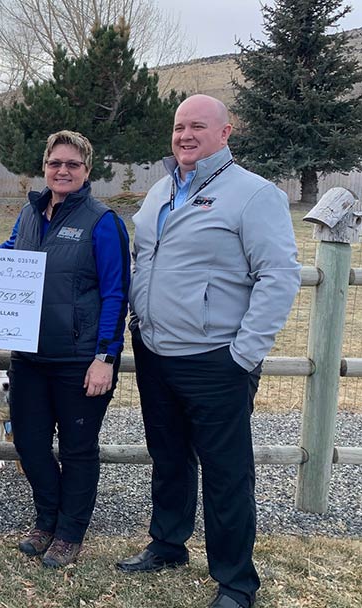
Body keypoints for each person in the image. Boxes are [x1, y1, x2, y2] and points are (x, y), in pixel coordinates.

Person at [117, 95, 301, 608]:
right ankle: (168, 544)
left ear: (225, 133)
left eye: (198, 126)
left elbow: (279, 275)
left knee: (226, 473)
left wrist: (243, 354)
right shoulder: (159, 190)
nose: (185, 135)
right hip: (155, 351)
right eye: (179, 127)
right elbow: (143, 258)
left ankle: (236, 581)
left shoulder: (253, 195)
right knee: (169, 458)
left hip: (215, 358)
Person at [0, 130, 130, 568]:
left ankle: (70, 532)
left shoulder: (103, 221)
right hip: (30, 356)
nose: (63, 170)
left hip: (79, 360)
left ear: (87, 170)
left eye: (73, 164)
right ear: (44, 166)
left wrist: (105, 358)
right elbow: (7, 257)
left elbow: (116, 293)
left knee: (77, 448)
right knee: (30, 445)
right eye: (55, 162)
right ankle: (46, 520)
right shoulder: (30, 213)